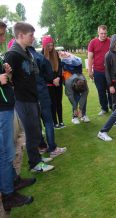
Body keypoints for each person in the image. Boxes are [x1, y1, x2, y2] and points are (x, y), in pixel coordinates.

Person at [4, 22, 55, 172]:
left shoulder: (26, 52)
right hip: (23, 99)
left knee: (36, 130)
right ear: (20, 35)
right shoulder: (12, 54)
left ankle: (37, 158)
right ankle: (34, 164)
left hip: (32, 97)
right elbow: (8, 78)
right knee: (32, 131)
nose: (33, 38)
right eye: (31, 35)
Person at [0, 20, 34, 211]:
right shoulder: (12, 52)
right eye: (1, 35)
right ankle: (8, 194)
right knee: (4, 153)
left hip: (6, 106)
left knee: (8, 150)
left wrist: (5, 72)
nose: (4, 39)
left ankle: (13, 180)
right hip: (2, 109)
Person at [28, 46, 67, 158]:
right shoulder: (39, 57)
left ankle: (42, 146)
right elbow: (49, 74)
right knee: (48, 121)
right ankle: (52, 148)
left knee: (37, 122)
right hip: (41, 92)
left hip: (30, 95)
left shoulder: (25, 56)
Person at [88, 25, 112, 115]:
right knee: (101, 90)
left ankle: (113, 107)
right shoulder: (93, 42)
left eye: (105, 33)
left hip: (109, 71)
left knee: (111, 89)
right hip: (98, 71)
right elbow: (90, 57)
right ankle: (104, 108)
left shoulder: (110, 41)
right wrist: (90, 71)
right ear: (98, 33)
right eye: (101, 33)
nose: (103, 35)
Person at [42, 35, 65, 129]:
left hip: (58, 82)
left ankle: (61, 121)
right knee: (53, 103)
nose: (51, 47)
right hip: (49, 84)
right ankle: (55, 122)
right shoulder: (42, 57)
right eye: (48, 46)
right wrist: (52, 80)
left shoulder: (56, 54)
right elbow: (43, 72)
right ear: (45, 46)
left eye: (52, 45)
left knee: (59, 102)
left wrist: (58, 78)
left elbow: (59, 68)